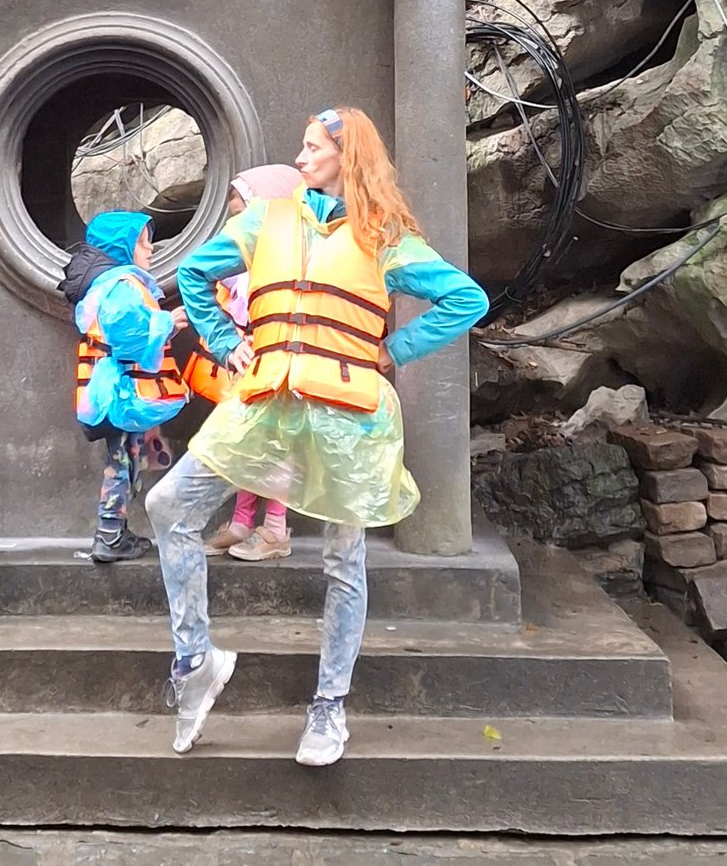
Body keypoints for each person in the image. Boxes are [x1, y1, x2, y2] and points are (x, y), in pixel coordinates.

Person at [148, 105, 487, 766]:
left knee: (343, 557)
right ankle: (195, 660)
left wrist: (394, 349)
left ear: (346, 155)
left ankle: (330, 706)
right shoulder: (265, 219)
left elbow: (465, 298)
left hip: (347, 416)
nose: (301, 158)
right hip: (264, 402)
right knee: (168, 505)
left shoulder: (385, 234)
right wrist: (224, 340)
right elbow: (192, 273)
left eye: (313, 147)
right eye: (301, 146)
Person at [189, 165, 301, 563]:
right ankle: (241, 522)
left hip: (280, 361)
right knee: (249, 443)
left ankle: (275, 528)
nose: (238, 223)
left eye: (244, 212)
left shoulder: (291, 253)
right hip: (251, 361)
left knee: (277, 443)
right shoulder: (244, 255)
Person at [65, 209, 189, 564]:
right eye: (143, 243)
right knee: (120, 461)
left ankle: (115, 530)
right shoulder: (122, 286)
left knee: (127, 457)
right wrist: (168, 322)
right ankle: (109, 534)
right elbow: (129, 339)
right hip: (120, 393)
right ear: (122, 247)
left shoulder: (109, 284)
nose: (150, 250)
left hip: (111, 392)